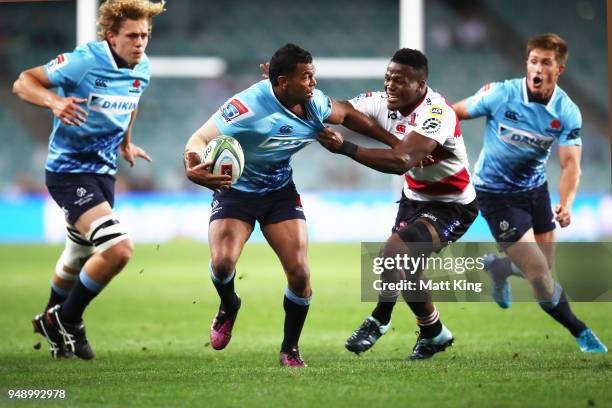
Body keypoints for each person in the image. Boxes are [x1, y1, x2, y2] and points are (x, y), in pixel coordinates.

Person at [184, 43, 400, 367]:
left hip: (279, 193)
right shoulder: (247, 106)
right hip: (236, 193)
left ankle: (290, 348)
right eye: (307, 78)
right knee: (222, 263)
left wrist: (397, 144)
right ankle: (229, 305)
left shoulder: (314, 104)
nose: (313, 84)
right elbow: (198, 139)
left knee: (299, 273)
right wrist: (193, 165)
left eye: (313, 76)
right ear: (283, 82)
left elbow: (351, 116)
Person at [13, 0, 166, 359]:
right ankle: (66, 319)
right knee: (118, 250)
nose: (140, 42)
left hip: (103, 173)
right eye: (132, 35)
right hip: (68, 171)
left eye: (144, 35)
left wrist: (126, 141)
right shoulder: (84, 61)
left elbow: (132, 99)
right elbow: (24, 82)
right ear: (111, 36)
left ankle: (54, 329)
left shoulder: (142, 67)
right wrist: (53, 102)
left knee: (77, 255)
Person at [317, 48, 478, 360]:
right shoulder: (381, 101)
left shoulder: (437, 112)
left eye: (400, 80)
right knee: (406, 270)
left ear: (420, 86)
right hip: (414, 198)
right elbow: (342, 111)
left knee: (392, 252)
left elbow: (402, 160)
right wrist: (302, 98)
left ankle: (379, 318)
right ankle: (433, 332)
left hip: (452, 204)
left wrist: (346, 148)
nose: (390, 85)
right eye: (388, 78)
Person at [452, 33, 607, 353]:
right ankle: (582, 332)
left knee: (545, 265)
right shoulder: (501, 94)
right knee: (539, 276)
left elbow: (570, 165)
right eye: (533, 61)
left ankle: (498, 267)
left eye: (546, 62)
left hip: (536, 191)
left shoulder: (566, 111)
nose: (538, 68)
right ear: (527, 63)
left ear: (559, 69)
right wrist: (439, 150)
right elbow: (455, 113)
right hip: (495, 195)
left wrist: (566, 203)